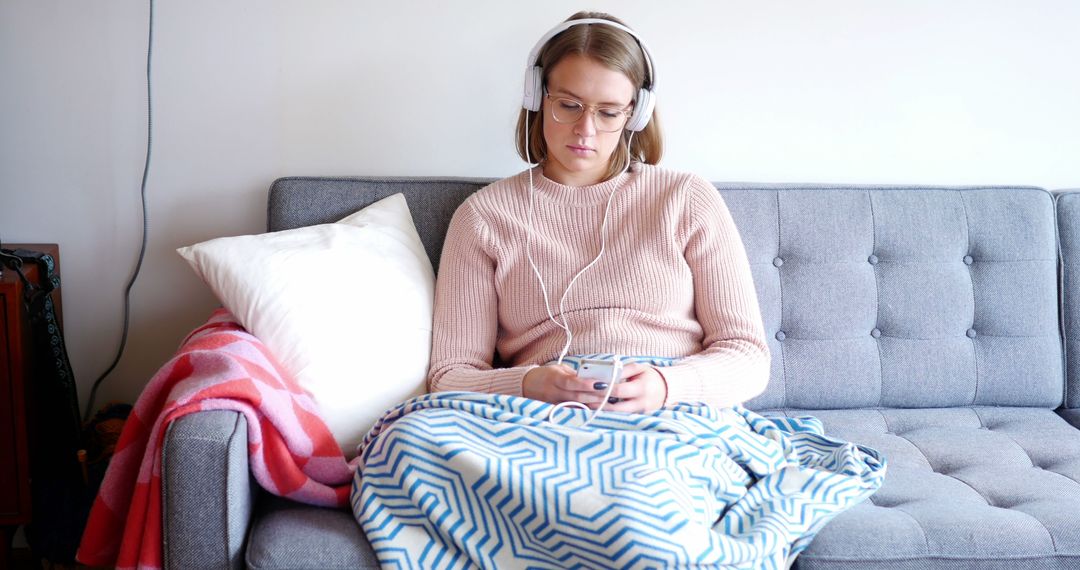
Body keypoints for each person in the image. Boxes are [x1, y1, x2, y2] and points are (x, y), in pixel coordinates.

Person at [428, 10, 769, 416]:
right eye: (569, 105)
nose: (585, 130)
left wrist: (666, 386)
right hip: (539, 414)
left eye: (608, 112)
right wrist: (525, 383)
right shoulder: (483, 217)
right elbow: (449, 375)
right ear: (536, 97)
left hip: (672, 408)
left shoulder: (685, 198)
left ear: (636, 114)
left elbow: (748, 356)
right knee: (406, 441)